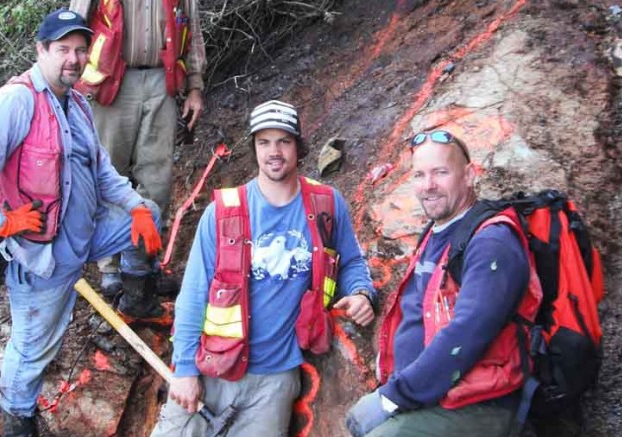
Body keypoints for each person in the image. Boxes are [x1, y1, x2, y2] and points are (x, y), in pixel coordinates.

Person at [0, 9, 164, 437]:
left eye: (80, 50)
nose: (73, 58)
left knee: (150, 211)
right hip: (45, 255)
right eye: (63, 49)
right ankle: (17, 417)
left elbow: (102, 170)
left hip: (86, 233)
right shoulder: (18, 101)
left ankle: (136, 294)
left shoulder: (77, 103)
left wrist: (135, 206)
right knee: (33, 346)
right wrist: (2, 221)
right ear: (41, 51)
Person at [150, 100, 377, 436]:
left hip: (275, 382)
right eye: (264, 142)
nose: (274, 151)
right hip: (214, 371)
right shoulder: (223, 214)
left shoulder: (326, 204)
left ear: (298, 146)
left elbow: (352, 261)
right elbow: (194, 295)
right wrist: (184, 369)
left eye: (284, 141)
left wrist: (361, 292)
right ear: (254, 146)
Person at [345, 131, 542, 436]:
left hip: (480, 402)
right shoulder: (438, 233)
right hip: (433, 395)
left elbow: (467, 333)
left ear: (469, 175)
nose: (428, 185)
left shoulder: (491, 241)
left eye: (440, 172)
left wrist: (391, 398)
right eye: (420, 175)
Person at [69, 0, 207, 298]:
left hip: (162, 80)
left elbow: (191, 30)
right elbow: (74, 24)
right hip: (110, 82)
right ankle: (110, 267)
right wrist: (68, 84)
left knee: (157, 179)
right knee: (108, 173)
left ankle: (143, 266)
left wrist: (194, 87)